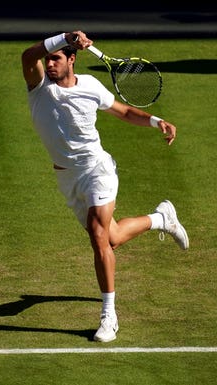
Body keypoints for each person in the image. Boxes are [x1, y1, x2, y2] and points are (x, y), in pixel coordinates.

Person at [21, 31, 189, 342]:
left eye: (56, 58)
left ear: (72, 60)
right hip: (67, 178)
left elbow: (124, 112)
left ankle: (108, 316)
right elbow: (27, 56)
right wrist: (64, 37)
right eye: (50, 57)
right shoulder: (39, 88)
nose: (50, 62)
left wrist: (157, 121)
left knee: (98, 236)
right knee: (110, 238)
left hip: (98, 170)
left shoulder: (90, 87)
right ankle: (161, 219)